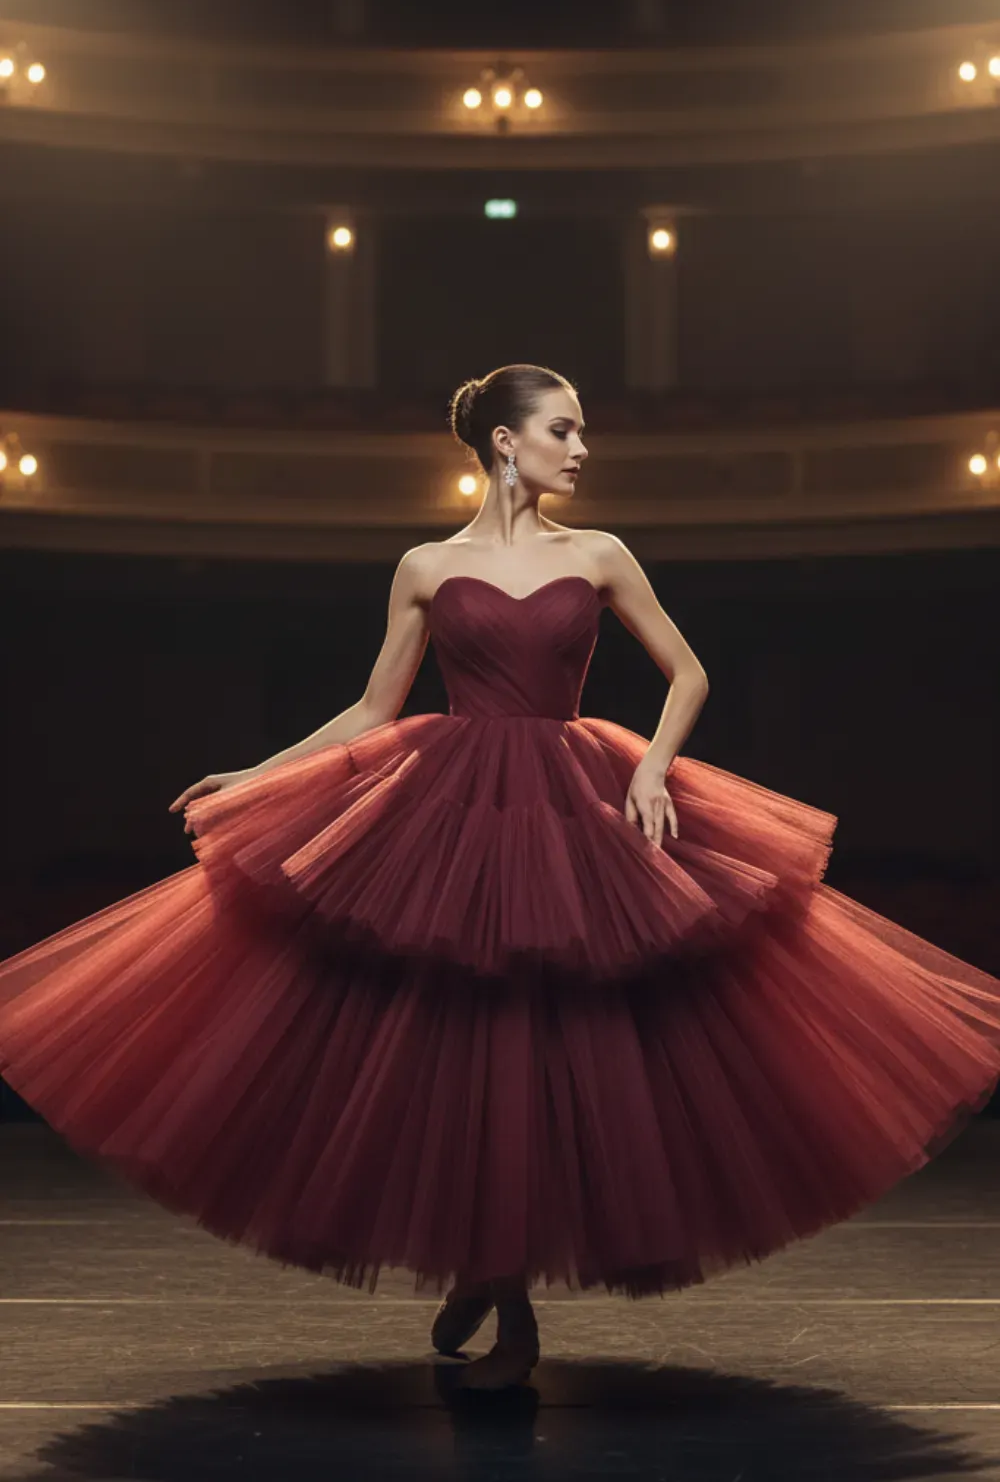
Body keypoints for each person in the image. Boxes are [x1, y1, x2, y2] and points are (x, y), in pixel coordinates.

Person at [1, 362, 999, 1392]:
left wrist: (654, 765)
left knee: (548, 1037)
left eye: (582, 432)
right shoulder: (426, 567)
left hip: (576, 797)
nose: (581, 448)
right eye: (562, 430)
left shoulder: (601, 553)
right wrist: (259, 774)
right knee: (461, 1041)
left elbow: (689, 671)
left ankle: (501, 1286)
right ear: (503, 444)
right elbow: (372, 710)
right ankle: (494, 1279)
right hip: (452, 802)